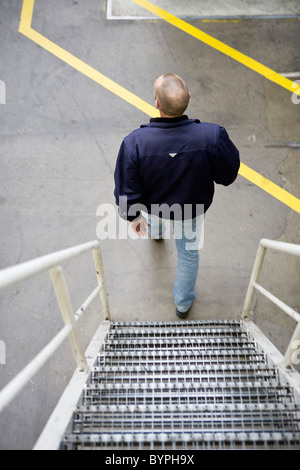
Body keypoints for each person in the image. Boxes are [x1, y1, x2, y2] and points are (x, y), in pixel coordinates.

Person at [114, 73, 240, 319]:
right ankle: (183, 304)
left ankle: (156, 232)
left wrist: (132, 217)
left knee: (156, 218)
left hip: (155, 206)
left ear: (157, 103)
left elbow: (126, 189)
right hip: (190, 210)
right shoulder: (212, 136)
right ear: (189, 98)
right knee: (188, 254)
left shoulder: (134, 144)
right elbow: (228, 174)